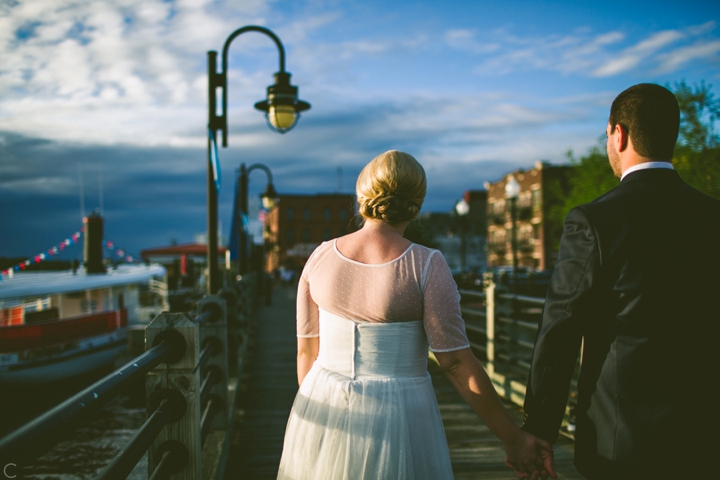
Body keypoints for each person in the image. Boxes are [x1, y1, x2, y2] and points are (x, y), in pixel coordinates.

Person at [277, 150, 555, 480]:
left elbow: (307, 351)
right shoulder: (424, 264)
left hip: (321, 400)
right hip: (398, 411)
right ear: (417, 201)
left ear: (362, 195)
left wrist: (316, 421)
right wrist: (513, 438)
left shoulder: (319, 257)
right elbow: (454, 363)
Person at [520, 84, 720, 479]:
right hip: (705, 434)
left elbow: (560, 329)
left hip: (621, 443)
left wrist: (539, 429)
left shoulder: (594, 221)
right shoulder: (712, 215)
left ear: (619, 134)